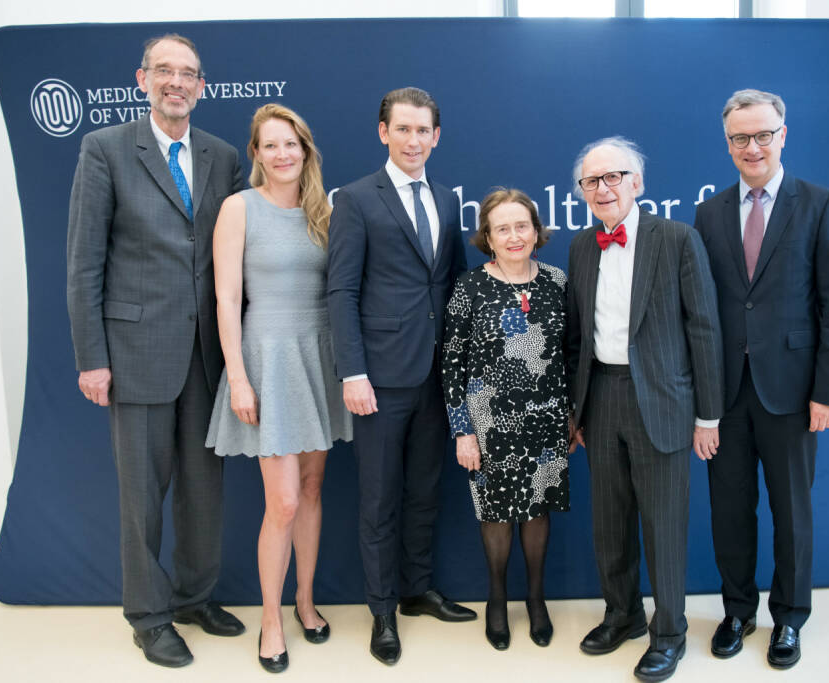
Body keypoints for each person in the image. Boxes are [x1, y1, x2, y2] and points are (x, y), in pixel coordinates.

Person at [66, 34, 245, 668]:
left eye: (187, 73)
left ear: (202, 86)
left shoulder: (223, 156)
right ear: (142, 79)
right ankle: (148, 616)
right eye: (164, 70)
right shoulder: (106, 149)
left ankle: (194, 598)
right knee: (142, 497)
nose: (176, 81)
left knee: (204, 491)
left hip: (207, 356)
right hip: (135, 352)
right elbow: (84, 263)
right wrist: (92, 357)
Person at [693, 89, 829, 670]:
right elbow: (703, 310)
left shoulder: (820, 204)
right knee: (729, 512)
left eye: (763, 135)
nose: (753, 147)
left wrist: (828, 391)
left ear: (783, 135)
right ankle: (737, 612)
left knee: (792, 513)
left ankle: (789, 617)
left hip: (792, 392)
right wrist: (702, 401)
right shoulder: (709, 213)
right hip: (726, 394)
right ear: (727, 144)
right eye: (740, 138)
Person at [565, 137, 723, 682]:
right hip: (601, 397)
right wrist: (576, 410)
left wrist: (708, 415)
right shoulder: (581, 246)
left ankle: (670, 632)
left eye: (613, 176)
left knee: (663, 525)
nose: (603, 188)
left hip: (663, 401)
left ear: (637, 182)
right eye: (592, 181)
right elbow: (576, 337)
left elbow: (704, 328)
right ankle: (622, 614)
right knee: (609, 521)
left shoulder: (676, 239)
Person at [327, 86, 472, 665]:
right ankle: (382, 610)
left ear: (437, 137)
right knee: (379, 499)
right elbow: (342, 291)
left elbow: (454, 285)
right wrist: (352, 371)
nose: (414, 140)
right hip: (380, 379)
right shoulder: (356, 199)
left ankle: (416, 590)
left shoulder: (447, 199)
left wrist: (463, 368)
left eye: (423, 130)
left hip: (437, 378)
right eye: (403, 129)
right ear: (383, 132)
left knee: (425, 492)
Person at [205, 103, 352, 673]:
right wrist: (238, 378)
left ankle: (305, 602)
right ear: (257, 154)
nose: (283, 153)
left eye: (291, 143)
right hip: (267, 359)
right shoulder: (239, 208)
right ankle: (271, 618)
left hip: (319, 358)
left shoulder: (325, 212)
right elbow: (226, 300)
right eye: (271, 145)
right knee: (283, 501)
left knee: (312, 489)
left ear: (305, 150)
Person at [441, 189, 569, 651]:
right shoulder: (469, 287)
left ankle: (536, 599)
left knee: (537, 509)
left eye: (522, 226)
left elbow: (571, 354)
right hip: (489, 425)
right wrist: (463, 430)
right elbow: (451, 364)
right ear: (488, 238)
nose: (514, 236)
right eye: (502, 229)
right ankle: (497, 599)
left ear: (535, 231)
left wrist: (574, 416)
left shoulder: (556, 281)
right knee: (495, 513)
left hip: (547, 420)